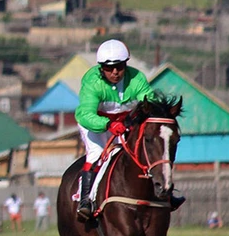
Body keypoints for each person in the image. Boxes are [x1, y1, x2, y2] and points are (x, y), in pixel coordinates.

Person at [75, 39, 184, 219]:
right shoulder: (92, 82)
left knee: (144, 153)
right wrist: (108, 125)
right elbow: (85, 114)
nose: (116, 72)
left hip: (124, 123)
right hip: (95, 123)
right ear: (101, 68)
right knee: (98, 154)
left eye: (119, 66)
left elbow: (148, 101)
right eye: (109, 68)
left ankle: (165, 192)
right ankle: (86, 201)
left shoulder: (137, 79)